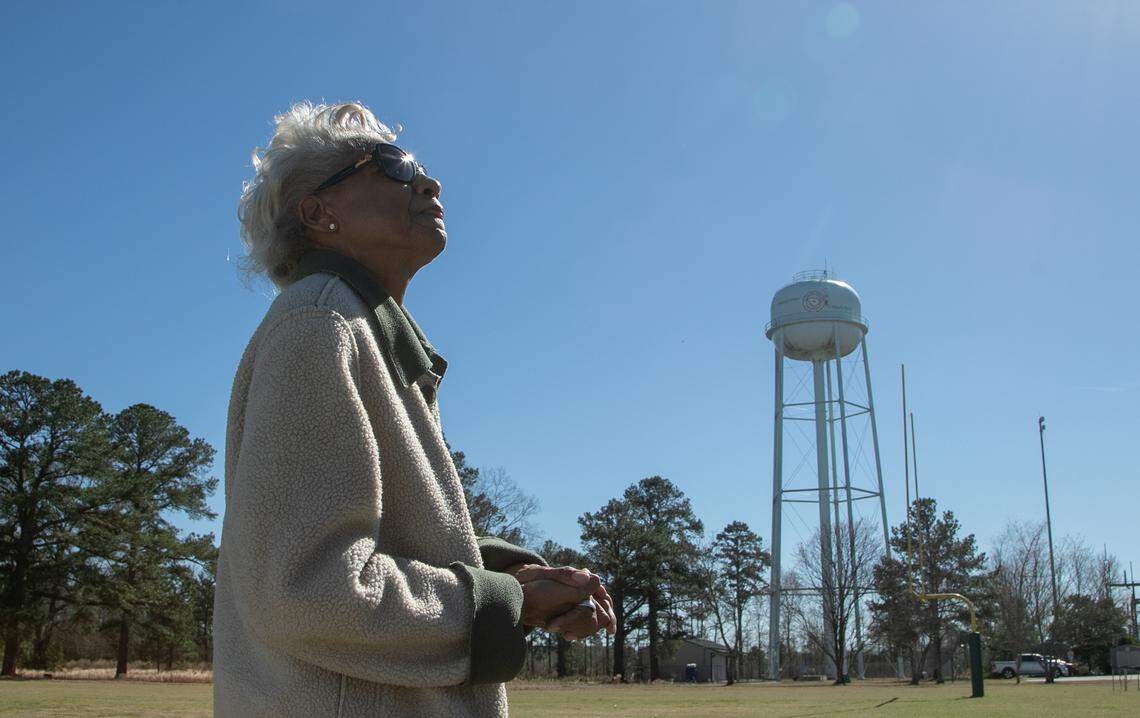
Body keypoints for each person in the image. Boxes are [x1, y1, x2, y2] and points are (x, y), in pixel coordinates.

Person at [215, 101, 616, 717]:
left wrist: (517, 574)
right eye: (392, 165)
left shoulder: (364, 334)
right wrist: (508, 603)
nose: (427, 182)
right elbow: (305, 587)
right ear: (319, 214)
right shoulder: (319, 323)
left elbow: (380, 545)